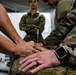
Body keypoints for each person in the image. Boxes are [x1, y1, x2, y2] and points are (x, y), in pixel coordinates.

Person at [18, 0, 76, 75]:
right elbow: (67, 24)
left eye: (46, 0)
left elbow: (39, 29)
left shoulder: (63, 4)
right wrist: (44, 43)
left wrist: (61, 52)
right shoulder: (25, 16)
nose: (46, 3)